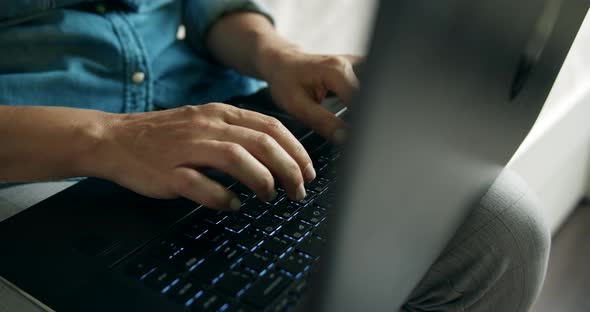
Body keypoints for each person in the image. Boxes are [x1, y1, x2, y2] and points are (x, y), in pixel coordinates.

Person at [0, 1, 550, 311]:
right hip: (39, 162)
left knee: (498, 226)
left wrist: (277, 55)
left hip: (212, 105)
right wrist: (108, 137)